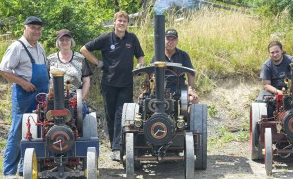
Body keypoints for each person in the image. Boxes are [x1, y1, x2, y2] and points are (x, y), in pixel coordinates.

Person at [80, 11, 145, 161]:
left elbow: (140, 55)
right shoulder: (106, 38)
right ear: (114, 22)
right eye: (119, 20)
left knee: (121, 115)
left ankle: (118, 148)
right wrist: (98, 63)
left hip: (126, 84)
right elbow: (84, 49)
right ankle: (114, 146)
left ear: (127, 24)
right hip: (109, 83)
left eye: (125, 21)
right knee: (110, 116)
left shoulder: (132, 38)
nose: (122, 23)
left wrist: (140, 64)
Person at [0, 16, 49, 179]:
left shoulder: (39, 47)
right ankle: (9, 171)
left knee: (36, 130)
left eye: (39, 29)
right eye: (33, 28)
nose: (36, 31)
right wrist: (23, 83)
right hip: (24, 95)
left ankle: (24, 168)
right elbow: (3, 70)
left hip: (41, 96)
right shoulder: (17, 47)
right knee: (19, 130)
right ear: (25, 28)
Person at [150, 28, 199, 103]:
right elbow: (150, 73)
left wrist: (190, 89)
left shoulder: (183, 55)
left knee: (194, 99)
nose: (170, 42)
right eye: (168, 39)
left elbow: (191, 73)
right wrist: (145, 90)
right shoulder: (157, 56)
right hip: (160, 90)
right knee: (143, 100)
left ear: (177, 41)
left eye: (173, 39)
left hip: (179, 90)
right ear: (164, 40)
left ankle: (187, 114)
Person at [47, 29, 92, 101]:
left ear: (71, 41)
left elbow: (86, 81)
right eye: (62, 40)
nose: (64, 42)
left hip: (75, 98)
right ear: (58, 42)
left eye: (67, 39)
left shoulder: (80, 58)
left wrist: (80, 99)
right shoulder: (50, 59)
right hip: (54, 99)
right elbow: (45, 80)